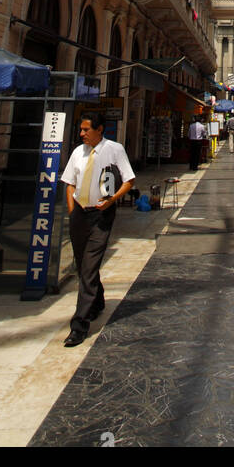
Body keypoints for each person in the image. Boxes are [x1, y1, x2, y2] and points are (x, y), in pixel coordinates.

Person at [60, 111, 135, 346]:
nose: (81, 133)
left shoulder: (114, 149)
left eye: (86, 130)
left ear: (99, 129)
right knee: (83, 265)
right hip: (80, 215)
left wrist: (112, 201)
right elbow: (70, 183)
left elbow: (129, 180)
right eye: (81, 130)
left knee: (89, 268)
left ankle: (79, 325)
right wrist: (73, 211)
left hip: (101, 215)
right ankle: (98, 301)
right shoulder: (77, 152)